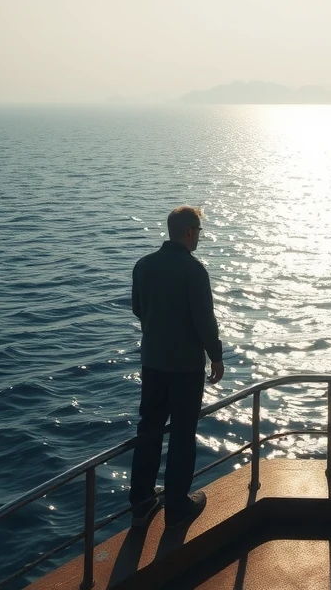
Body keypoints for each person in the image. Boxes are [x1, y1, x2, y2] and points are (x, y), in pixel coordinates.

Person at [128, 205, 224, 527]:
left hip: (153, 365)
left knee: (149, 430)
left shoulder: (143, 266)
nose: (199, 238)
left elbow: (138, 309)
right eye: (199, 232)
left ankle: (141, 503)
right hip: (185, 370)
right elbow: (204, 322)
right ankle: (176, 508)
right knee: (183, 435)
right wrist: (216, 355)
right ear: (189, 232)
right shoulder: (195, 272)